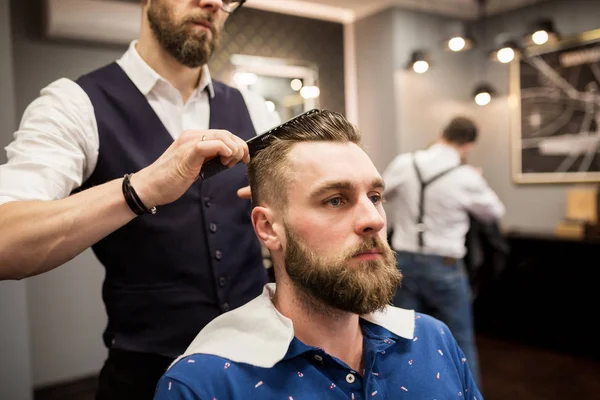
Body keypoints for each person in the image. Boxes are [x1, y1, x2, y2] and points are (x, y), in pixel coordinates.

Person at [0, 0, 279, 398]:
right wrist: (141, 188)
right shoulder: (73, 105)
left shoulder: (252, 107)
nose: (214, 2)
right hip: (144, 377)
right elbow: (4, 240)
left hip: (260, 368)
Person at [153, 110, 483, 400]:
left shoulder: (433, 339)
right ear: (268, 227)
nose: (374, 219)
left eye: (375, 196)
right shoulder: (205, 382)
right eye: (335, 200)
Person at [382, 116, 505, 386]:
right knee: (459, 340)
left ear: (440, 134)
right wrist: (476, 181)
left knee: (401, 336)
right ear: (469, 145)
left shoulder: (406, 163)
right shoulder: (465, 177)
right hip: (445, 266)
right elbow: (494, 212)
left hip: (403, 262)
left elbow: (379, 194)